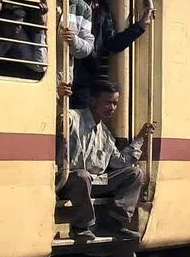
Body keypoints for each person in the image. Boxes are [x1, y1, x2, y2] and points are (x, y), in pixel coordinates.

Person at [59, 79, 153, 242]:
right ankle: (81, 226)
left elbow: (119, 162)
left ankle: (115, 222)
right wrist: (61, 101)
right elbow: (59, 119)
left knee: (135, 173)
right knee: (82, 176)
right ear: (93, 101)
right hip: (69, 181)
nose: (112, 108)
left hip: (95, 182)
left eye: (115, 103)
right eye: (108, 103)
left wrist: (140, 138)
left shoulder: (105, 134)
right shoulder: (73, 117)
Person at [74, 0, 154, 105]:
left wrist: (141, 25)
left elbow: (112, 43)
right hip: (72, 71)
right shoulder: (73, 1)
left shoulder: (102, 10)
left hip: (90, 77)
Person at [0, 0, 48, 79]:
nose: (16, 28)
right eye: (11, 23)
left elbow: (40, 65)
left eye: (19, 24)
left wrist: (40, 26)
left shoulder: (15, 34)